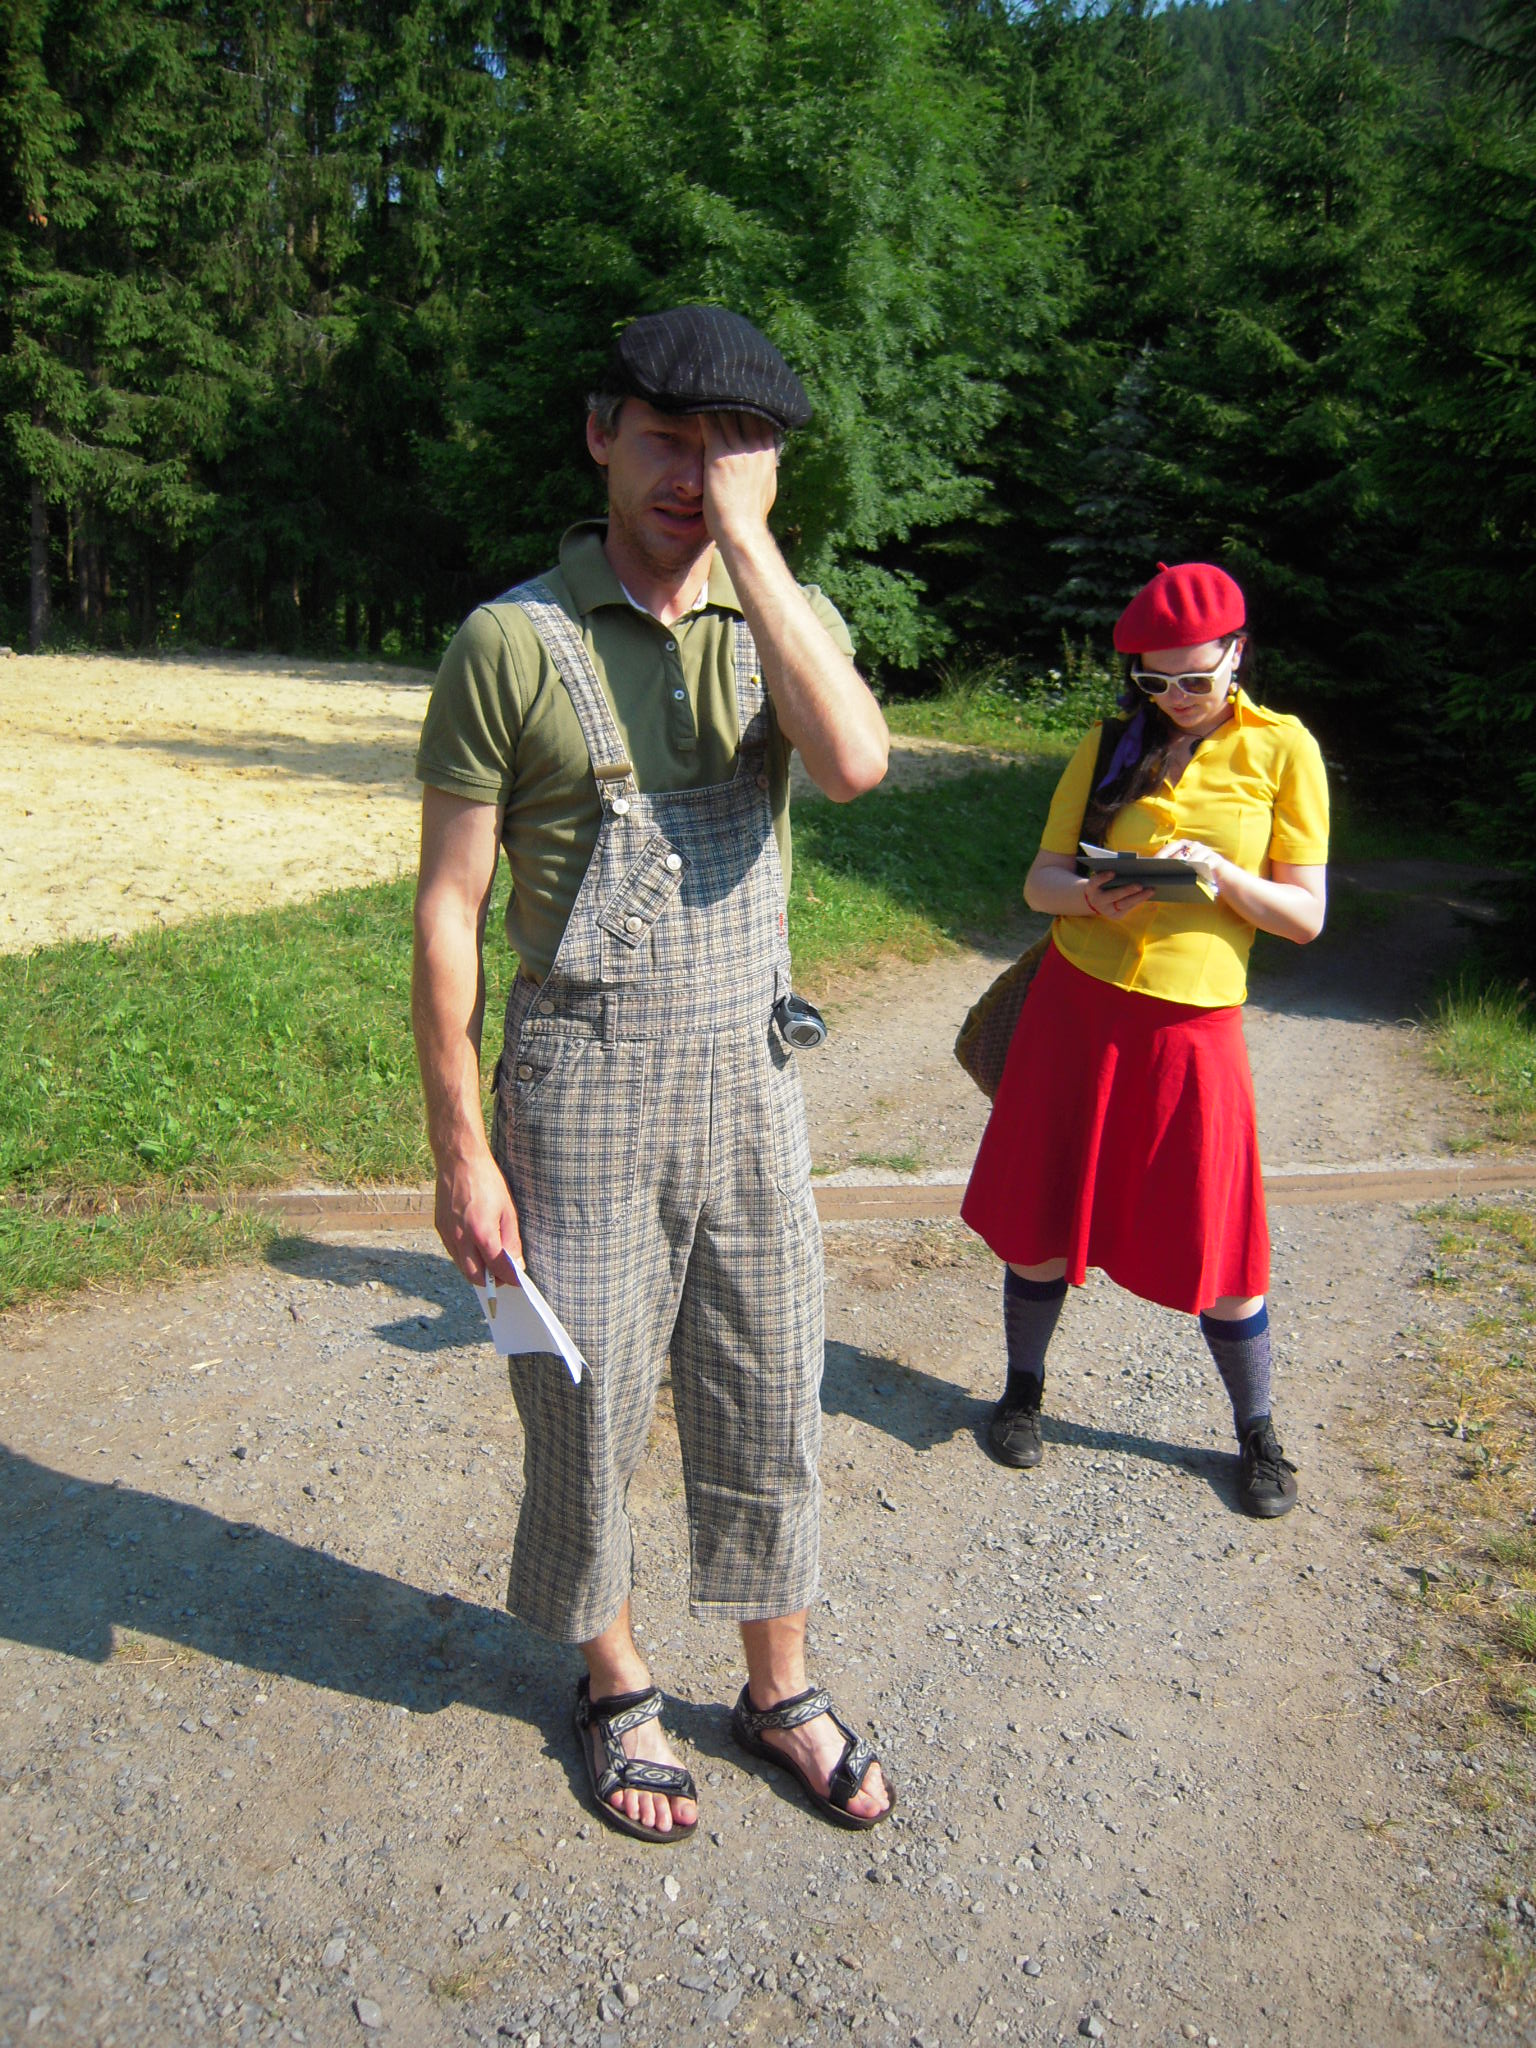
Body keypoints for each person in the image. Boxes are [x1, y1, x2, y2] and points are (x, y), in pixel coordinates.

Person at [410, 305, 894, 1842]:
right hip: (579, 1084)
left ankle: (778, 1690)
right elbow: (448, 910)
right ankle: (615, 1684)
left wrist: (754, 553)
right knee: (585, 1404)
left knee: (768, 1387)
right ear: (600, 434)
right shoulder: (510, 644)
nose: (695, 474)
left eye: (731, 449)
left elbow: (855, 764)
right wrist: (461, 1150)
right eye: (669, 439)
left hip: (750, 1080)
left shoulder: (780, 617)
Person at [961, 561, 1329, 1516]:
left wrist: (1224, 877)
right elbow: (1040, 880)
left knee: (1219, 1237)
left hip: (1192, 1025)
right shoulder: (1109, 743)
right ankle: (1022, 1392)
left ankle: (1258, 1433)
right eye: (1154, 680)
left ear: (1237, 653)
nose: (1175, 698)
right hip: (1075, 1008)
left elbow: (1305, 916)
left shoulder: (1284, 748)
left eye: (1194, 678)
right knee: (1042, 1214)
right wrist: (1091, 895)